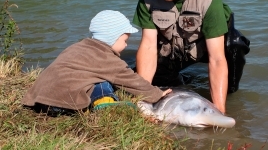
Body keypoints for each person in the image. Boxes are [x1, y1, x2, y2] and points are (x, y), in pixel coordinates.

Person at [132, 0, 250, 114]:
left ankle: (227, 94)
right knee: (159, 85)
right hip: (172, 46)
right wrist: (141, 97)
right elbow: (148, 44)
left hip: (204, 45)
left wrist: (219, 112)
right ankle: (180, 80)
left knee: (233, 44)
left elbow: (217, 59)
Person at [22, 10, 172, 116]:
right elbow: (131, 81)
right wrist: (156, 94)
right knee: (103, 83)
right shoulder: (107, 59)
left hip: (39, 100)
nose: (126, 45)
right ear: (114, 37)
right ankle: (104, 103)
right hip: (64, 104)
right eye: (125, 40)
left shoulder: (77, 47)